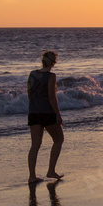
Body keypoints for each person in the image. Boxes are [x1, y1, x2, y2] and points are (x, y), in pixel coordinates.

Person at [27, 51, 64, 183]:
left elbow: (29, 93)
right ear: (53, 62)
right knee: (59, 139)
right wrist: (57, 114)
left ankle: (32, 176)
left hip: (34, 112)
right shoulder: (51, 76)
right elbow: (52, 97)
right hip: (47, 112)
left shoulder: (32, 74)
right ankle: (51, 170)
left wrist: (34, 106)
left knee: (35, 145)